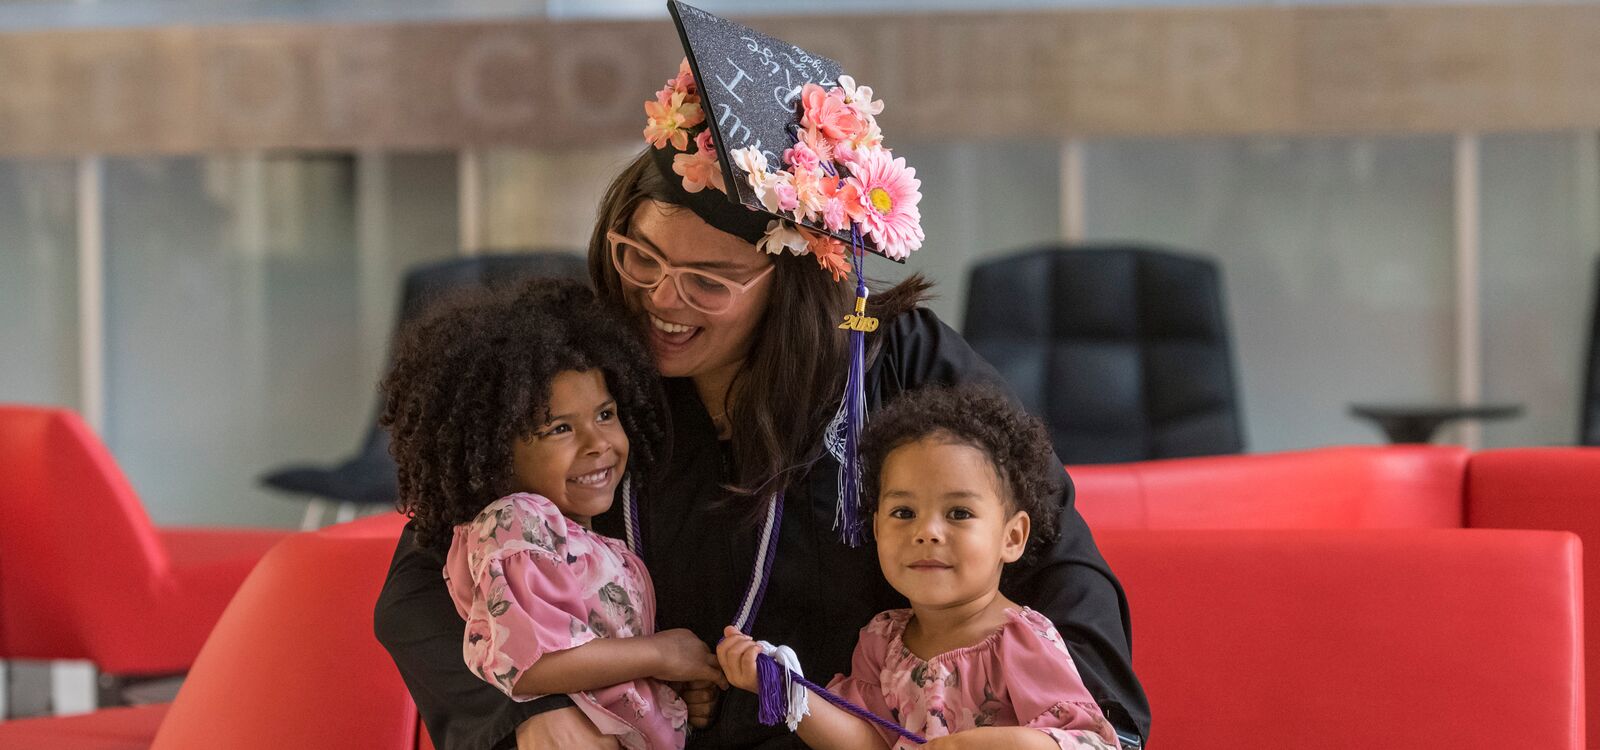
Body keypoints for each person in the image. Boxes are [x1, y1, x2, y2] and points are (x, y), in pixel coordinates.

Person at [375, 41, 1149, 750]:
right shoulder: (586, 376)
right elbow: (421, 583)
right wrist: (529, 712)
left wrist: (1080, 732)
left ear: (793, 280)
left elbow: (1051, 555)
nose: (659, 301)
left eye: (708, 281)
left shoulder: (889, 365)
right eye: (639, 257)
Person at [379, 279, 725, 749]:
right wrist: (659, 655)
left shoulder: (570, 533)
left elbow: (597, 646)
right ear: (498, 452)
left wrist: (665, 690)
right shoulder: (514, 528)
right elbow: (529, 664)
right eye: (560, 428)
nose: (599, 444)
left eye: (606, 415)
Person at [717, 384, 1120, 749]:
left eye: (959, 513)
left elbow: (1087, 743)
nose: (926, 531)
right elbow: (868, 743)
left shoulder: (1020, 641)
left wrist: (974, 746)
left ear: (1011, 537)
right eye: (904, 512)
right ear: (876, 528)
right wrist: (783, 688)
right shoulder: (881, 642)